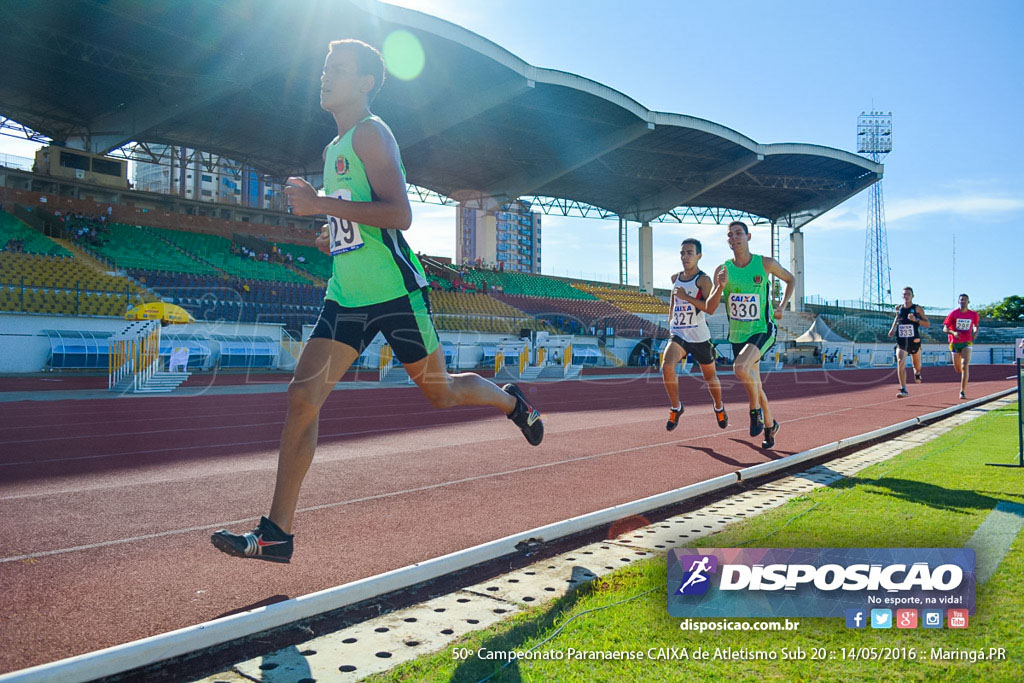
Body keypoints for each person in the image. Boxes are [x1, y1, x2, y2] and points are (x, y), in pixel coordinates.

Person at [211, 39, 543, 564]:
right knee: (302, 396)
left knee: (443, 394)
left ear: (365, 82)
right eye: (323, 67)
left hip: (394, 293)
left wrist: (319, 203)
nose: (324, 76)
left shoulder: (371, 133)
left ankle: (512, 401)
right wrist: (332, 230)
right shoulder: (332, 147)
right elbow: (357, 216)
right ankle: (277, 532)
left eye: (337, 69)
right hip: (346, 292)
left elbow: (399, 215)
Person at [706, 221, 795, 449]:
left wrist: (783, 306)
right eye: (730, 235)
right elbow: (710, 306)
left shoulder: (764, 264)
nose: (734, 238)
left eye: (738, 234)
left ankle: (754, 412)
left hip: (763, 329)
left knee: (739, 368)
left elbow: (790, 280)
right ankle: (770, 426)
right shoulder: (722, 270)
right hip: (737, 335)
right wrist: (719, 287)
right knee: (754, 381)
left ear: (748, 236)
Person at [661, 238, 728, 432]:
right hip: (679, 333)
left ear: (699, 255)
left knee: (710, 378)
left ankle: (718, 406)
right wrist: (671, 318)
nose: (685, 257)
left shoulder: (703, 280)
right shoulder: (675, 278)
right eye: (682, 253)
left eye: (690, 253)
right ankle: (676, 407)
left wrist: (687, 297)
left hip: (699, 337)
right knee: (667, 367)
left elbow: (709, 308)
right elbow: (674, 299)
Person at [887, 286, 930, 398]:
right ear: (902, 296)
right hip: (901, 341)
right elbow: (897, 319)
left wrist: (916, 320)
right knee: (900, 361)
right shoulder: (899, 308)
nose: (906, 296)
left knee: (917, 365)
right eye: (904, 294)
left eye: (908, 294)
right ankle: (903, 389)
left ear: (912, 296)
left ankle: (917, 373)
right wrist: (892, 330)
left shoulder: (917, 309)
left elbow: (927, 324)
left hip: (914, 340)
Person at [942, 293, 979, 400]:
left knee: (964, 365)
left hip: (967, 342)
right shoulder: (953, 314)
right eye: (961, 300)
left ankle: (962, 391)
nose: (963, 301)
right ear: (958, 301)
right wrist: (953, 333)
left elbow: (976, 326)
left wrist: (975, 332)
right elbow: (945, 329)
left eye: (965, 300)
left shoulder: (973, 314)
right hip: (954, 343)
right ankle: (962, 377)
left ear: (968, 302)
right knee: (958, 369)